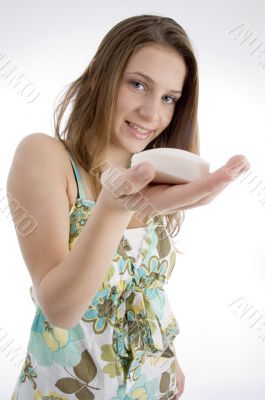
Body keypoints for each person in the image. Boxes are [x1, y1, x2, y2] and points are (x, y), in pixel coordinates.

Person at [7, 14, 250, 400]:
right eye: (138, 85)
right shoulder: (46, 157)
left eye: (169, 98)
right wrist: (115, 207)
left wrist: (168, 360)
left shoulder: (151, 174)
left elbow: (140, 295)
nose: (152, 114)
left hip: (155, 384)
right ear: (103, 75)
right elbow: (60, 310)